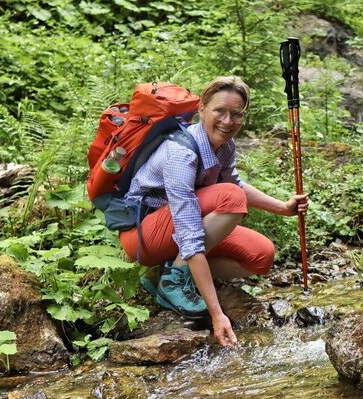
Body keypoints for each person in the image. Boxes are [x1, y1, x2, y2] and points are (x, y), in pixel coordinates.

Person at [119, 76, 308, 347]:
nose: (227, 121)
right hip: (143, 236)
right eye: (219, 111)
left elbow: (235, 182)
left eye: (236, 114)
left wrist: (283, 207)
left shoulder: (224, 146)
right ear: (202, 109)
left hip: (173, 230)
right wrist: (217, 313)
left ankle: (162, 274)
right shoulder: (181, 153)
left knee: (261, 256)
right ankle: (174, 280)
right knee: (230, 199)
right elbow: (189, 228)